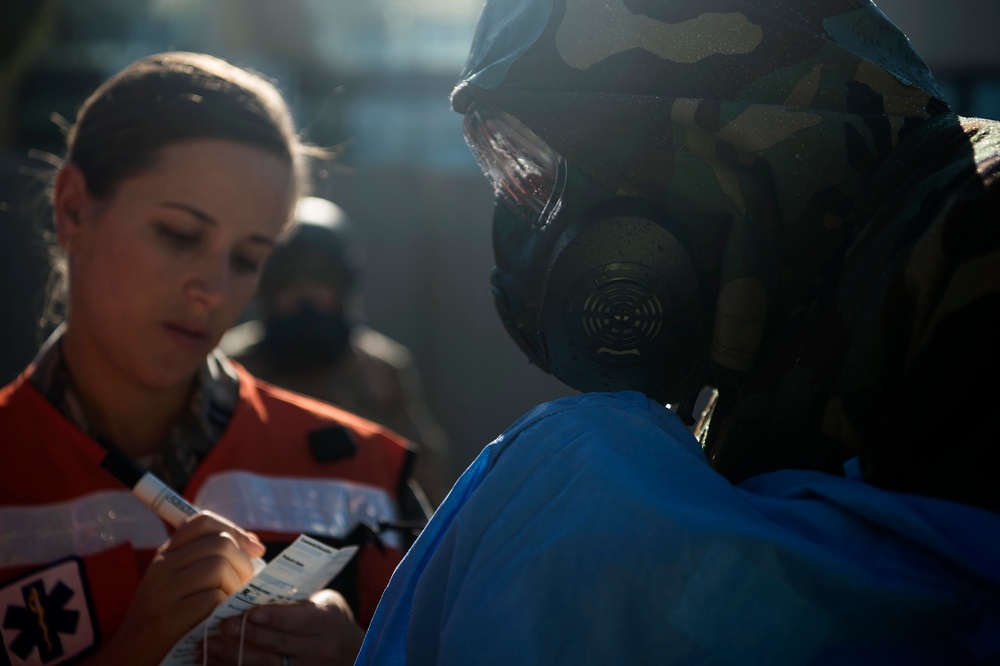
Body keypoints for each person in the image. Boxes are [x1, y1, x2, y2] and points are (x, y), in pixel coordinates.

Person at [356, 1, 1000, 664]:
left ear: (689, 128)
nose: (533, 234)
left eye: (536, 175)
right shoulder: (768, 319)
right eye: (513, 187)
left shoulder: (977, 225)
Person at [0, 51, 427, 666]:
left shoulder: (362, 474)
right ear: (72, 208)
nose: (213, 288)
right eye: (179, 234)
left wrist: (363, 655)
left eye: (249, 258)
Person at [221, 196, 451, 508]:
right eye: (291, 283)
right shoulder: (231, 367)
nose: (307, 299)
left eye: (321, 282)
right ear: (267, 290)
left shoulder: (380, 371)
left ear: (343, 288)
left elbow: (422, 482)